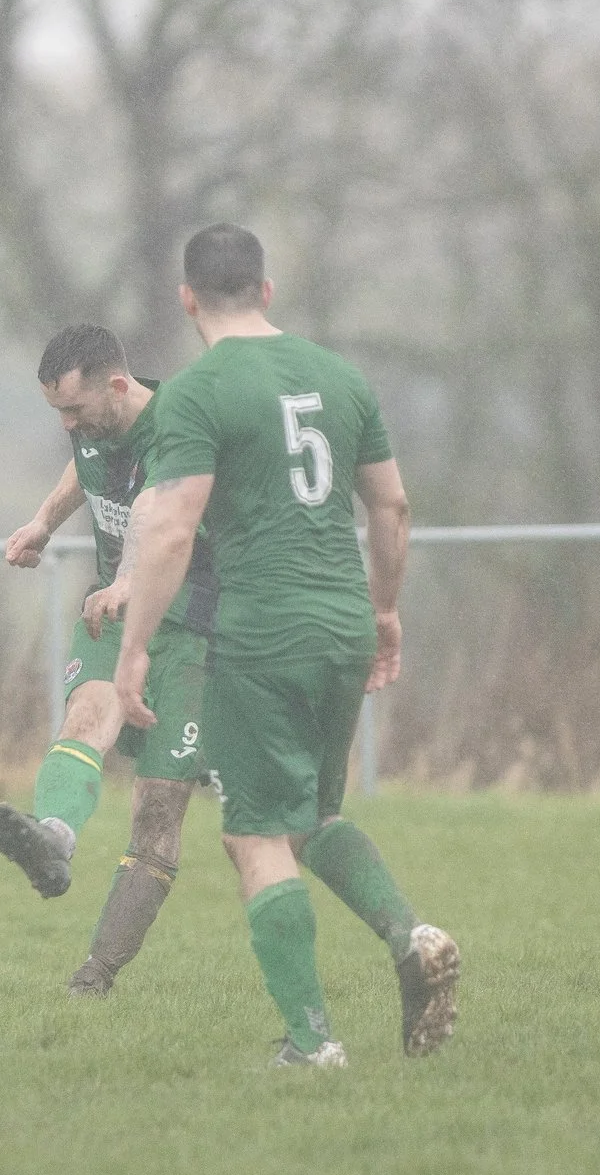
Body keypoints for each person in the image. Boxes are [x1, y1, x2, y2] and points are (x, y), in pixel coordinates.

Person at [114, 224, 457, 1067]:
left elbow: (170, 528)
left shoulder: (196, 394)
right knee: (314, 817)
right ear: (266, 292)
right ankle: (409, 936)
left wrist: (132, 651)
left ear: (188, 298)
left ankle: (312, 1042)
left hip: (260, 634)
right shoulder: (340, 378)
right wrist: (384, 611)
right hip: (342, 621)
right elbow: (393, 508)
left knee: (254, 835)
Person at [0, 326, 216, 994]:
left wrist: (129, 581)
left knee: (157, 809)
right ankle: (55, 837)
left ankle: (100, 970)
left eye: (74, 410)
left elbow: (158, 515)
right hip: (113, 615)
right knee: (87, 712)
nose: (66, 424)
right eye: (56, 412)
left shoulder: (183, 428)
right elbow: (83, 463)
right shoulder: (92, 422)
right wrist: (43, 521)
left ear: (117, 387)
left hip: (193, 631)